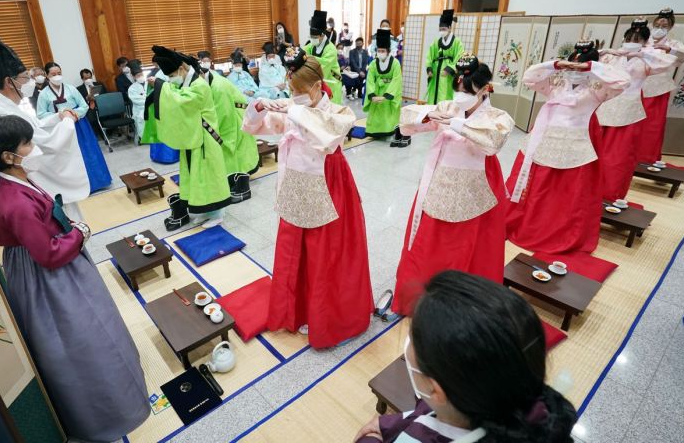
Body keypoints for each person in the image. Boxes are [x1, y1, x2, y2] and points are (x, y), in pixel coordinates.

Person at [0, 115, 149, 442]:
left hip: (57, 265)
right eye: (27, 143)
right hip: (47, 279)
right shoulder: (14, 200)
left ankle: (123, 398)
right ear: (8, 157)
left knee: (100, 328)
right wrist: (79, 233)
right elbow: (48, 254)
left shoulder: (20, 179)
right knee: (81, 341)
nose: (33, 147)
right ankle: (102, 417)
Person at [242, 49, 372, 348]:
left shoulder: (339, 112)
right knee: (293, 251)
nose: (295, 95)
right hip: (295, 187)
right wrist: (260, 107)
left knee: (326, 251)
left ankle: (328, 318)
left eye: (301, 90)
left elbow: (328, 138)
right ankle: (297, 310)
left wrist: (294, 110)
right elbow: (252, 128)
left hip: (328, 187)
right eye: (292, 90)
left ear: (317, 86)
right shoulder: (291, 107)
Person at [355, 271, 577, 443]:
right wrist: (389, 423)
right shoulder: (536, 407)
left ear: (436, 390)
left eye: (414, 337)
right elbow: (430, 413)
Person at [392, 56, 514, 315]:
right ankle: (423, 296)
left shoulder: (497, 116)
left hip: (474, 188)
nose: (459, 96)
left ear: (484, 90)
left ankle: (463, 301)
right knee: (429, 242)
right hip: (440, 184)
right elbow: (405, 123)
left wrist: (458, 124)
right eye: (457, 89)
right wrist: (428, 113)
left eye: (466, 92)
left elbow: (493, 141)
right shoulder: (449, 106)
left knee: (469, 245)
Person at [505, 41, 630, 254]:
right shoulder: (556, 82)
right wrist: (556, 64)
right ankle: (529, 225)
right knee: (536, 191)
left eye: (579, 65)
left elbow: (622, 81)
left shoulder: (597, 88)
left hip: (576, 148)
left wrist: (591, 68)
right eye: (572, 63)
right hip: (545, 142)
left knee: (566, 197)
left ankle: (559, 232)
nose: (574, 69)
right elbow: (529, 77)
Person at [0, 37, 89, 205]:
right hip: (31, 178)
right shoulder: (2, 114)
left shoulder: (9, 106)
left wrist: (57, 116)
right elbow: (48, 142)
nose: (30, 82)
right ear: (9, 81)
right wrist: (67, 120)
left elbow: (35, 127)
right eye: (25, 77)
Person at [150, 45, 230, 230]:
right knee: (196, 175)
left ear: (181, 69)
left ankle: (217, 214)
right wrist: (166, 87)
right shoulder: (187, 82)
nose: (171, 80)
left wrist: (161, 86)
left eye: (171, 76)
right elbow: (178, 97)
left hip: (206, 138)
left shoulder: (198, 84)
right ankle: (204, 210)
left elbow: (182, 100)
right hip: (193, 136)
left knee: (208, 175)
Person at [597, 20, 676, 201]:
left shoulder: (647, 60)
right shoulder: (613, 57)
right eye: (629, 38)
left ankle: (612, 193)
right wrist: (608, 51)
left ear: (644, 42)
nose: (631, 41)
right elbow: (594, 63)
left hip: (629, 112)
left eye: (637, 39)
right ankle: (591, 189)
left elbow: (668, 62)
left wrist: (642, 53)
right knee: (597, 153)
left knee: (619, 157)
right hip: (606, 109)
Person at [192, 52, 259, 203]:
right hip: (228, 113)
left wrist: (214, 135)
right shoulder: (206, 81)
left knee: (230, 147)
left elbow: (223, 117)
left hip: (235, 116)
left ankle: (239, 184)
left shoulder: (218, 86)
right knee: (231, 152)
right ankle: (234, 179)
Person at [37, 62, 112, 193]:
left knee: (88, 153)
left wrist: (74, 114)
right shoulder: (43, 94)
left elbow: (84, 105)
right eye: (53, 74)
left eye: (59, 73)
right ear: (47, 76)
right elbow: (41, 114)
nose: (57, 76)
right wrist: (58, 115)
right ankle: (77, 187)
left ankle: (98, 182)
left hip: (79, 125)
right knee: (69, 158)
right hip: (60, 129)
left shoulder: (71, 88)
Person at [639, 8, 684, 163]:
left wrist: (669, 49)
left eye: (664, 25)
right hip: (639, 85)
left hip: (658, 88)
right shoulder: (644, 40)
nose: (660, 27)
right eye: (658, 24)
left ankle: (646, 156)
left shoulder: (672, 43)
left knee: (652, 124)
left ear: (670, 27)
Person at [363, 29, 406, 146]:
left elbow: (397, 79)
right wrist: (371, 95)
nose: (380, 52)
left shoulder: (395, 63)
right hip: (377, 91)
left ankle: (389, 131)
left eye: (383, 50)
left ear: (388, 51)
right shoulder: (373, 64)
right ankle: (375, 132)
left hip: (389, 92)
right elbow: (370, 79)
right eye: (379, 50)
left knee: (388, 113)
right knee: (376, 112)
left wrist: (387, 95)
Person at [303, 9, 344, 104]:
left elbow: (322, 66)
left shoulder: (331, 49)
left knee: (330, 112)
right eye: (311, 37)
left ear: (322, 35)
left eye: (315, 37)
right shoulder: (312, 45)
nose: (312, 39)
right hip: (319, 83)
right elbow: (303, 51)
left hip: (331, 83)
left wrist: (307, 58)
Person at [425, 10, 464, 105]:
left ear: (449, 28)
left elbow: (459, 57)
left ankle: (443, 112)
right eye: (440, 29)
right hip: (436, 72)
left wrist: (449, 69)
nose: (442, 31)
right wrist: (429, 68)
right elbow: (429, 55)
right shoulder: (436, 42)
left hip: (447, 74)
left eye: (444, 29)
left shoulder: (457, 42)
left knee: (445, 94)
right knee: (433, 94)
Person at [127, 60, 148, 142]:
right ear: (134, 77)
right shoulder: (132, 88)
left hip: (151, 106)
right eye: (138, 75)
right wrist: (148, 99)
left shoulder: (149, 83)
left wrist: (147, 98)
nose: (140, 76)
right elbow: (137, 101)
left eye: (141, 74)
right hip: (140, 109)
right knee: (141, 118)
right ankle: (144, 138)